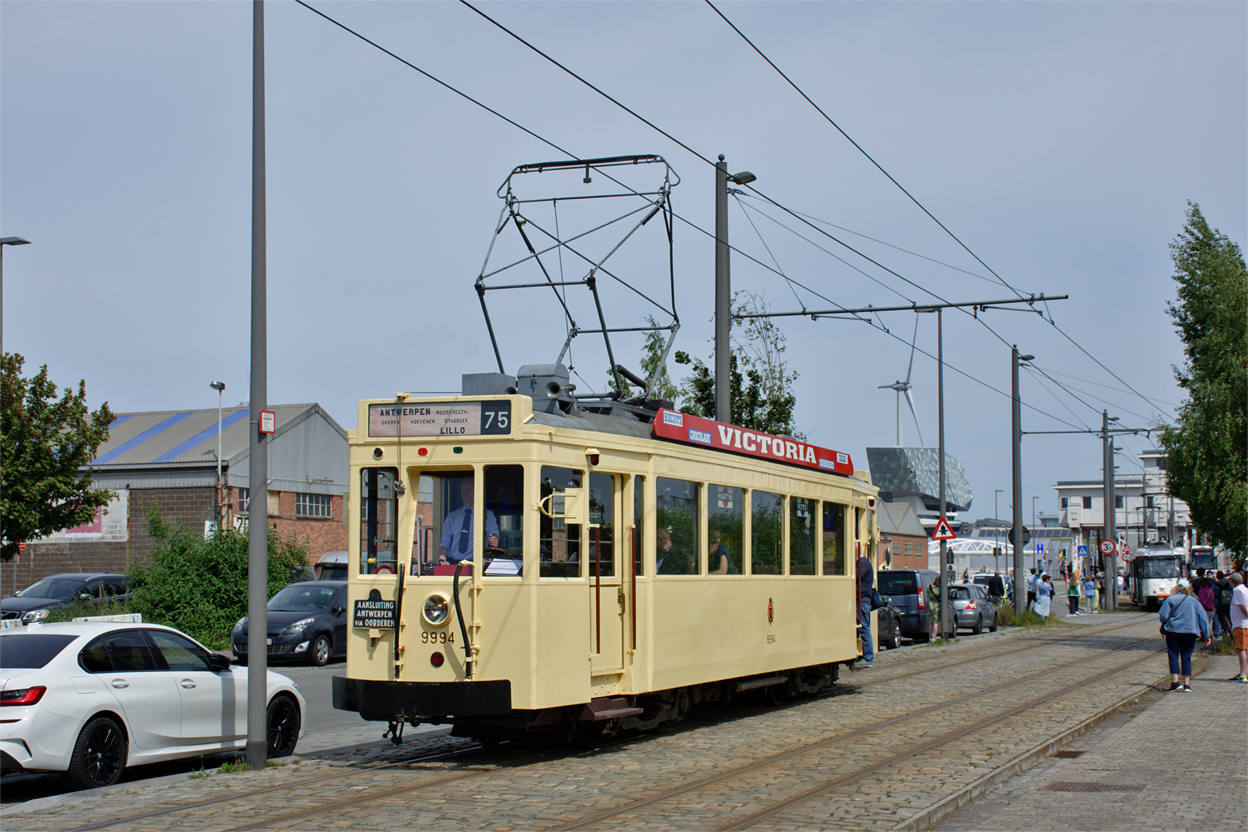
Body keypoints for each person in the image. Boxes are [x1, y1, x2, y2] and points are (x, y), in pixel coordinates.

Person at [1158, 578, 1210, 692]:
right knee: (1186, 656)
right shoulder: (1194, 601)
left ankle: (1175, 682)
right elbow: (1203, 619)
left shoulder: (1170, 599)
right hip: (1190, 631)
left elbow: (1162, 616)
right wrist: (1206, 636)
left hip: (1173, 631)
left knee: (1173, 655)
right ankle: (1187, 684)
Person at [437, 480, 499, 564]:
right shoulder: (452, 516)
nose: (465, 493)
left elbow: (493, 531)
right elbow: (445, 542)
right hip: (453, 562)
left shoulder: (487, 515)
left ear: (476, 491)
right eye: (463, 490)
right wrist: (442, 560)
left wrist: (494, 539)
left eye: (469, 489)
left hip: (474, 564)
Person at [1227, 572, 1248, 683]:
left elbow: (1242, 606)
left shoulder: (1238, 591)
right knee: (1245, 649)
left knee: (1241, 649)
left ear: (1232, 582)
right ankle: (1244, 673)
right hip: (1243, 623)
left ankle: (1242, 674)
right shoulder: (1245, 589)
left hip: (1241, 623)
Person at [856, 550, 875, 666]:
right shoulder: (863, 563)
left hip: (862, 601)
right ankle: (866, 656)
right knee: (863, 627)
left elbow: (856, 576)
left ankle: (868, 657)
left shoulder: (863, 563)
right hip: (862, 600)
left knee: (864, 628)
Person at [1213, 571, 1233, 637]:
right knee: (1230, 619)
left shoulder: (1214, 586)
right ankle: (1232, 631)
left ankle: (1225, 632)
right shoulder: (1228, 585)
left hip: (1218, 604)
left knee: (1221, 620)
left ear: (1216, 577)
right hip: (1228, 603)